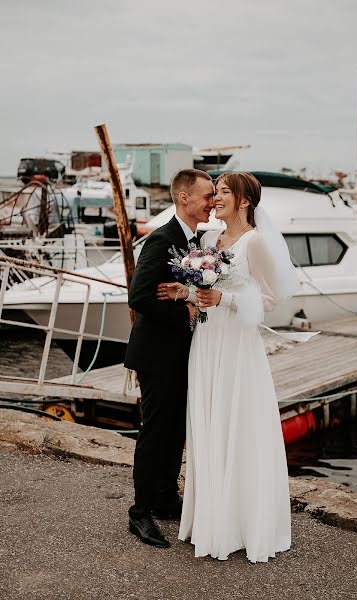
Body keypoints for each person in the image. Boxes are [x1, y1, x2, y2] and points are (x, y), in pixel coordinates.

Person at [158, 172, 302, 563]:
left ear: (243, 201)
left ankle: (241, 522)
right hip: (207, 340)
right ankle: (212, 518)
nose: (215, 198)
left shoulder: (255, 242)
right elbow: (205, 292)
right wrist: (186, 292)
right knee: (209, 420)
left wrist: (225, 299)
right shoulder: (207, 241)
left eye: (223, 192)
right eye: (215, 191)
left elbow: (271, 300)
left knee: (238, 420)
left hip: (237, 343)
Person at [124, 168, 214, 549]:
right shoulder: (162, 240)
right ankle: (140, 512)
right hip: (157, 353)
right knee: (157, 431)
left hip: (183, 352)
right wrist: (187, 313)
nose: (212, 201)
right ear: (184, 198)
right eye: (207, 195)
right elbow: (140, 297)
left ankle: (165, 499)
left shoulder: (198, 241)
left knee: (176, 431)